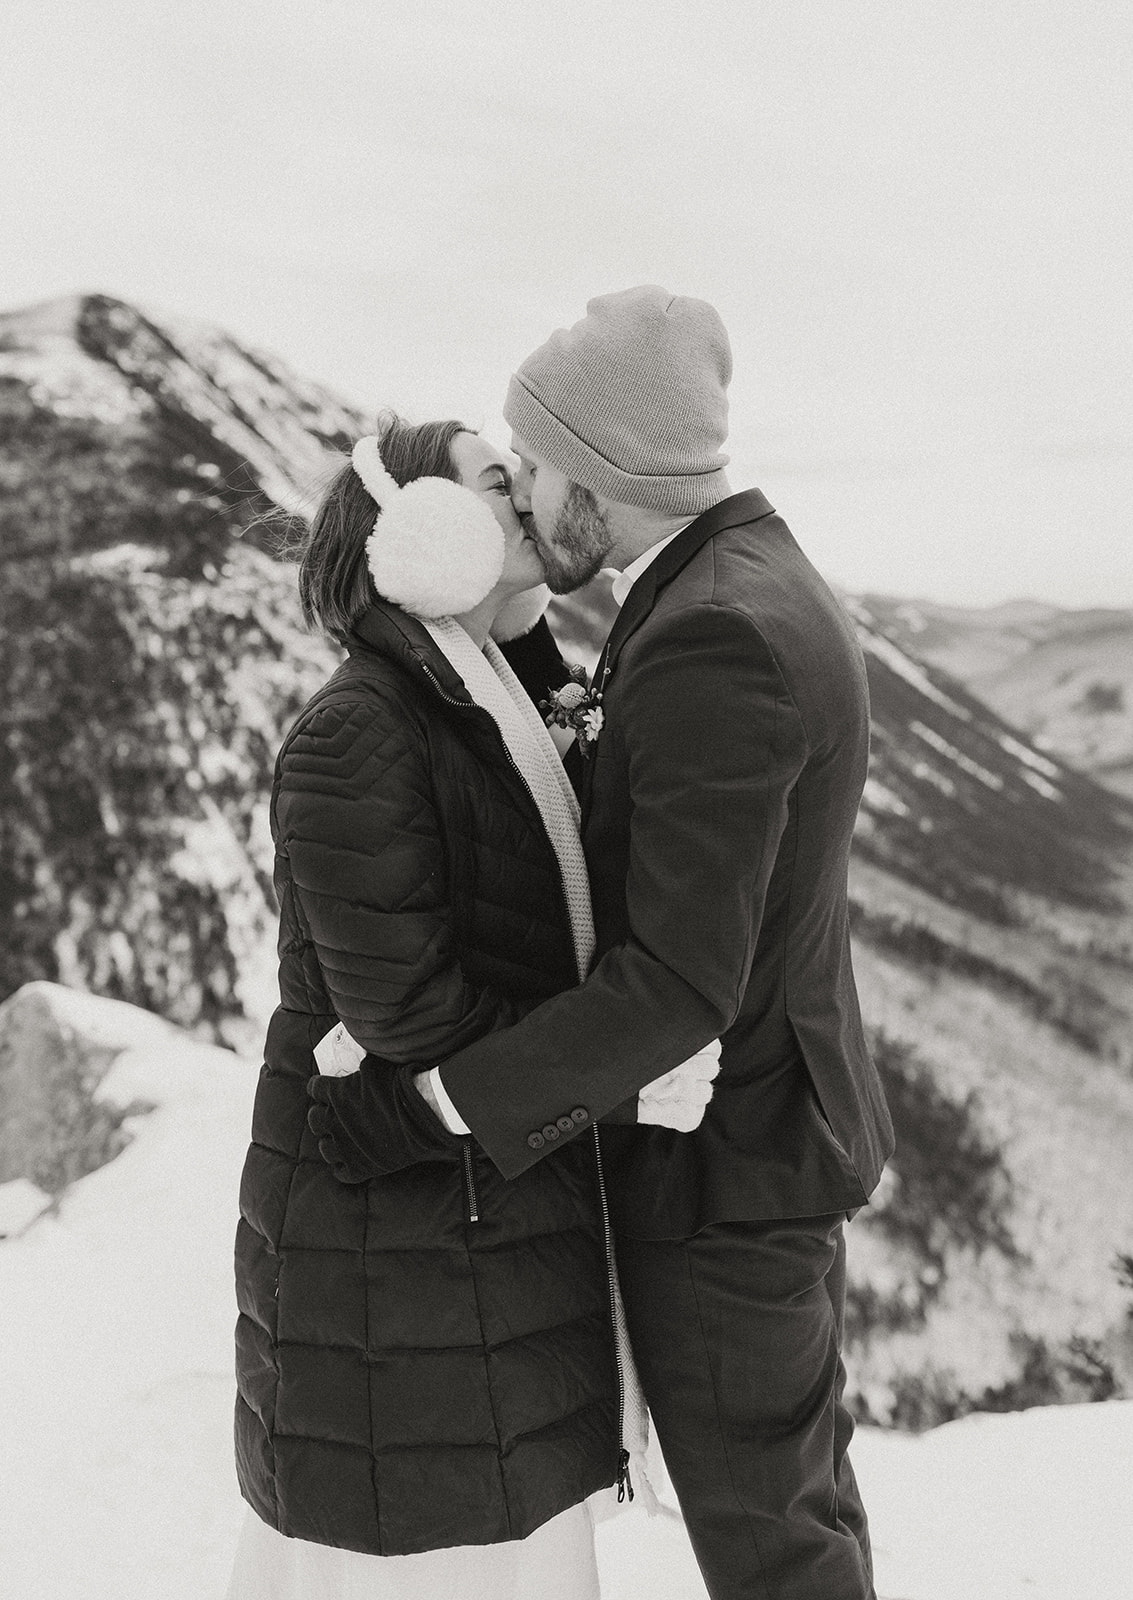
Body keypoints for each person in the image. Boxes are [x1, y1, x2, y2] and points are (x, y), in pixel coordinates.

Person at [316, 289, 896, 1599]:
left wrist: (438, 1107)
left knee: (769, 1542)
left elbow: (679, 983)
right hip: (767, 1138)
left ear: (603, 468)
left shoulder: (714, 636)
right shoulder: (741, 583)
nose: (517, 498)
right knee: (793, 1510)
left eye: (533, 467)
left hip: (725, 1172)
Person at [228, 411, 715, 1600]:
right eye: (500, 486)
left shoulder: (491, 701)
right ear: (426, 536)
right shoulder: (360, 733)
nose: (531, 505)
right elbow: (411, 1018)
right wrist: (628, 1065)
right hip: (396, 1269)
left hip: (462, 1241)